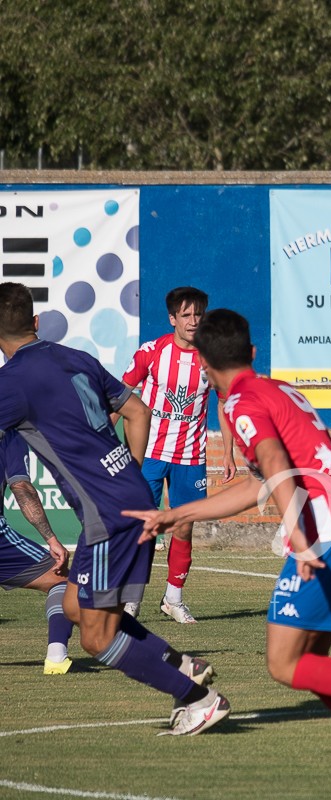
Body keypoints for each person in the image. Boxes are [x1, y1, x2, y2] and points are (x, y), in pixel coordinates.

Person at [126, 309, 331, 783]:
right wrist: (178, 513)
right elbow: (260, 484)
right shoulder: (276, 390)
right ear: (252, 353)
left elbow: (275, 464)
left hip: (321, 533)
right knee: (309, 664)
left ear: (204, 367)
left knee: (283, 663)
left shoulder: (239, 403)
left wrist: (295, 532)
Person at [0, 282, 227, 735]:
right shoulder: (75, 357)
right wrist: (126, 474)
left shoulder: (12, 384)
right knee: (74, 605)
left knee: (96, 637)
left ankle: (200, 700)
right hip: (127, 495)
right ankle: (184, 665)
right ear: (37, 322)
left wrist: (113, 490)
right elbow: (139, 412)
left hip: (107, 512)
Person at [121, 286, 236, 623]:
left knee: (184, 526)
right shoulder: (152, 351)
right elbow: (120, 394)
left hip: (191, 457)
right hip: (151, 454)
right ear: (172, 318)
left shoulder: (212, 356)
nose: (193, 321)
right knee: (143, 528)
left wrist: (227, 453)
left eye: (198, 314)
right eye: (185, 315)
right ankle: (131, 600)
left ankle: (173, 598)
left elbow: (225, 401)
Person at [0, 431, 75, 674]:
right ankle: (56, 656)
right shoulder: (9, 431)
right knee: (62, 579)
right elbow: (21, 487)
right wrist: (51, 539)